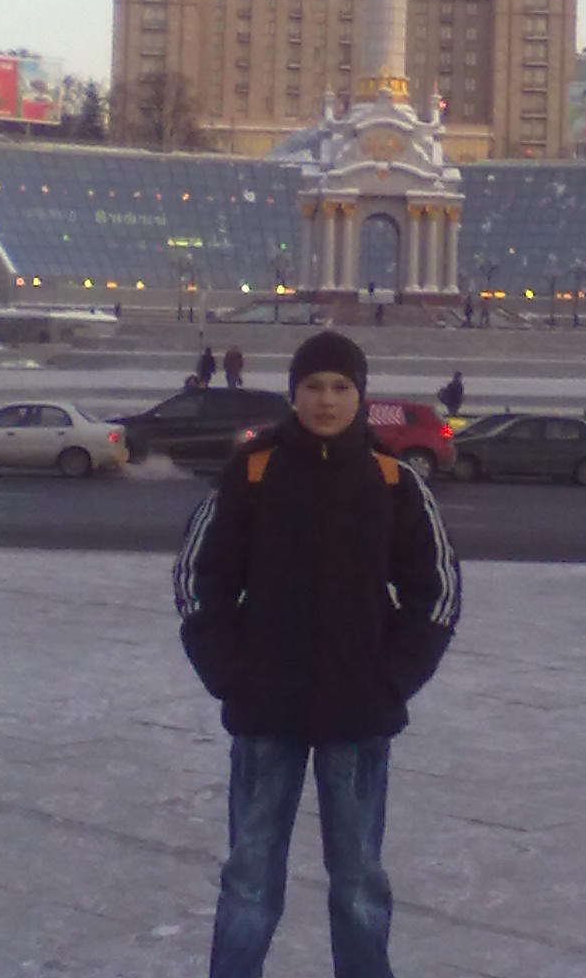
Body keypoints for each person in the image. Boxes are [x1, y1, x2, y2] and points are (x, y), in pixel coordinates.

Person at [172, 331, 460, 978]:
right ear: (293, 394)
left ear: (360, 396)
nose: (326, 400)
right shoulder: (253, 473)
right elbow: (200, 578)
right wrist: (228, 673)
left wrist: (392, 679)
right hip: (265, 708)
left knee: (358, 882)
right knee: (250, 876)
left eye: (340, 387)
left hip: (358, 713)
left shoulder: (393, 479)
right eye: (313, 387)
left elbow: (437, 592)